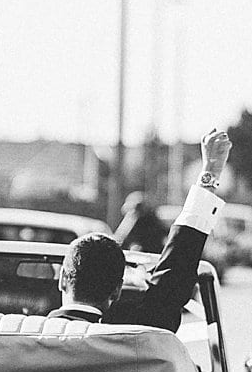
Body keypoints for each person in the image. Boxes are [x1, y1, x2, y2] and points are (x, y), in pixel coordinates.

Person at [49, 128, 231, 331]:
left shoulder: (21, 337)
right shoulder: (141, 332)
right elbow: (178, 263)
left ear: (63, 279)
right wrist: (210, 171)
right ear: (117, 290)